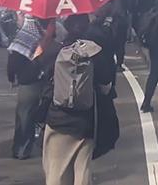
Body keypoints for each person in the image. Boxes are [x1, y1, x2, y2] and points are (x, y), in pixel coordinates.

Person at [43, 13, 117, 185]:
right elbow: (106, 86)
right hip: (86, 120)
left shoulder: (55, 50)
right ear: (87, 26)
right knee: (82, 171)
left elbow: (44, 80)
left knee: (55, 170)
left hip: (57, 119)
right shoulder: (95, 53)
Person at [7, 16, 57, 160]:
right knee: (39, 113)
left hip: (28, 81)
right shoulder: (47, 34)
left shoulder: (23, 36)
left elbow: (13, 59)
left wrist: (12, 76)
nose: (18, 18)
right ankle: (38, 146)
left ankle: (21, 148)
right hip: (45, 79)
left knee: (25, 115)